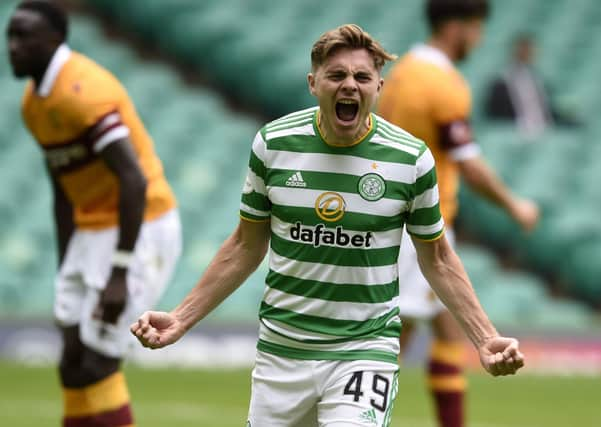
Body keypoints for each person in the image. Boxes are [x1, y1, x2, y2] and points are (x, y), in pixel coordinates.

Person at [131, 23, 524, 427]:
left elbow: (438, 259)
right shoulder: (274, 145)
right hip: (282, 352)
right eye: (336, 75)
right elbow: (244, 246)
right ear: (313, 83)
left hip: (364, 350)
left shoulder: (411, 160)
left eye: (362, 77)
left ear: (379, 87)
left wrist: (484, 336)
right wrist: (181, 317)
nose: (350, 85)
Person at [6, 1, 182, 426]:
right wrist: (66, 261)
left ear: (54, 41)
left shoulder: (83, 92)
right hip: (90, 228)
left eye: (23, 37)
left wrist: (119, 271)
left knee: (99, 364)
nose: (11, 47)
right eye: (9, 36)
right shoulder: (34, 105)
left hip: (139, 225)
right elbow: (63, 191)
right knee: (72, 361)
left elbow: (134, 181)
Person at [377, 1, 539, 427]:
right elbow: (467, 162)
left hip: (400, 218)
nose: (479, 39)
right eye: (477, 29)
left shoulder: (402, 73)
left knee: (447, 330)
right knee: (392, 342)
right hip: (420, 225)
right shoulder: (440, 83)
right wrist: (514, 204)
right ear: (456, 28)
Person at [484, 33, 582, 136]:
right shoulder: (501, 82)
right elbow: (494, 113)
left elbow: (547, 108)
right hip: (516, 130)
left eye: (530, 50)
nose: (528, 53)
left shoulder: (538, 80)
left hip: (544, 128)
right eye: (524, 49)